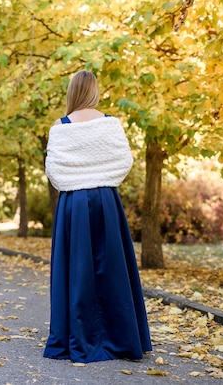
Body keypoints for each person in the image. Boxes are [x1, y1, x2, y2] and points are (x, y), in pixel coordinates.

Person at [43, 71, 152, 363]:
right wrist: (100, 178)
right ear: (94, 91)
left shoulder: (60, 126)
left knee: (76, 270)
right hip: (105, 199)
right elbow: (123, 160)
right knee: (113, 268)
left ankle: (79, 336)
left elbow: (55, 170)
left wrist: (78, 178)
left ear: (71, 92)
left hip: (73, 203)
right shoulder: (110, 123)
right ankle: (120, 337)